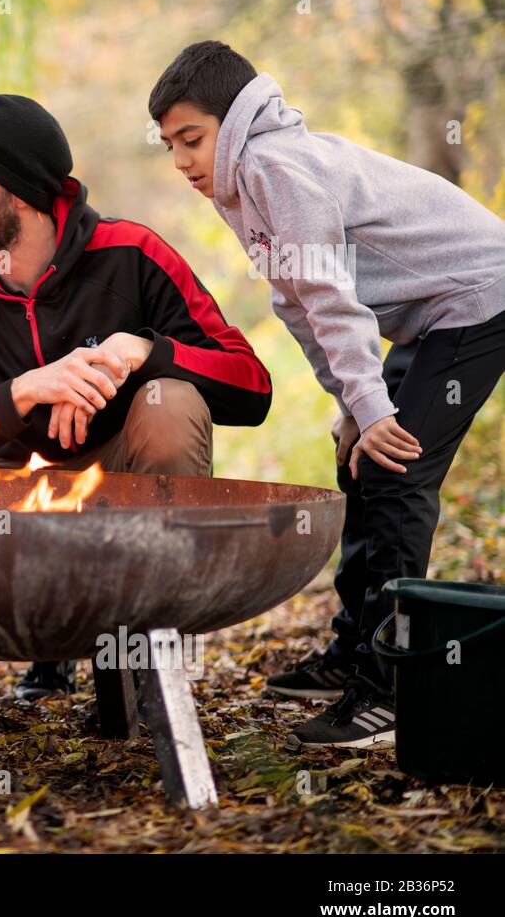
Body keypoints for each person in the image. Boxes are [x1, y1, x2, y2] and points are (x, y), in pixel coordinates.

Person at [149, 41, 505, 748]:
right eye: (168, 147)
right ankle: (351, 653)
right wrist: (352, 410)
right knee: (361, 462)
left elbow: (332, 300)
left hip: (475, 298)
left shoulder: (277, 166)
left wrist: (374, 412)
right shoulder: (240, 184)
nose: (183, 161)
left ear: (236, 119)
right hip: (427, 317)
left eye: (192, 139)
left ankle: (387, 689)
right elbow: (296, 306)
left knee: (398, 472)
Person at [0, 93, 271, 701]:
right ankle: (49, 639)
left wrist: (144, 352)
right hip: (9, 506)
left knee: (168, 402)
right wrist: (18, 394)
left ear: (20, 191)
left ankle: (144, 658)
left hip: (122, 489)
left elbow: (251, 386)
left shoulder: (135, 255)